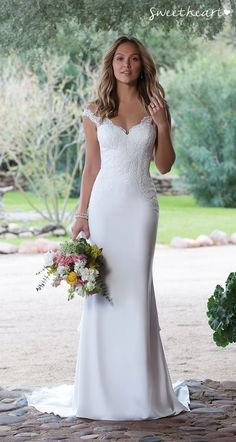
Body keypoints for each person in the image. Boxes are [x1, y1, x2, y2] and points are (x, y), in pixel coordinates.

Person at [26, 35, 190, 420]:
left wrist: (163, 125)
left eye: (133, 59)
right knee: (104, 296)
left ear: (141, 65)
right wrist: (81, 215)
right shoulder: (95, 111)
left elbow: (164, 165)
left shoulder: (155, 108)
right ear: (111, 64)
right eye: (120, 58)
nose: (126, 65)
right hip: (105, 210)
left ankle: (141, 392)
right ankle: (101, 392)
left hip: (142, 210)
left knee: (135, 294)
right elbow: (92, 168)